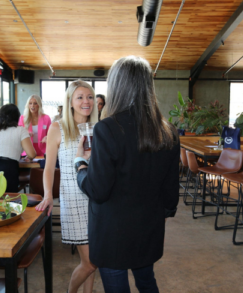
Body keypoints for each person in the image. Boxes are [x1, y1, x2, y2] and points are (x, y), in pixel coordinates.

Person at [75, 56, 180, 292]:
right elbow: (171, 193)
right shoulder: (168, 131)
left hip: (112, 233)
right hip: (148, 229)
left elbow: (97, 191)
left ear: (116, 87)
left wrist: (80, 165)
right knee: (147, 282)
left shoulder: (107, 128)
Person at [35, 80, 98, 293]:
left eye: (89, 97)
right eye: (79, 97)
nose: (86, 101)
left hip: (97, 198)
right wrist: (47, 196)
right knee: (89, 262)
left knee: (95, 258)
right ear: (70, 101)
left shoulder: (98, 128)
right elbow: (49, 168)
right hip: (73, 199)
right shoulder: (58, 128)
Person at [0, 104, 36, 192]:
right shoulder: (20, 130)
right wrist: (28, 158)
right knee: (7, 204)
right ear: (17, 117)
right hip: (8, 171)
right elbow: (32, 154)